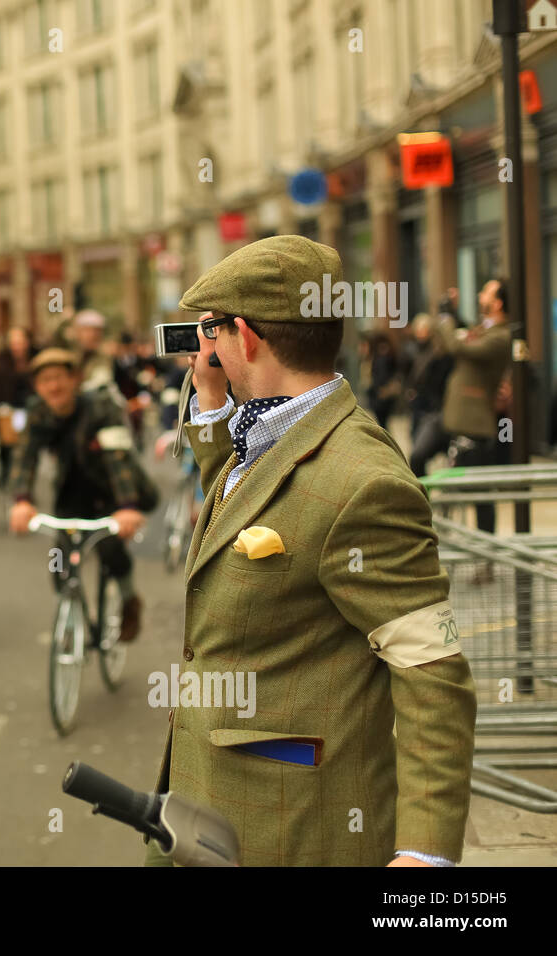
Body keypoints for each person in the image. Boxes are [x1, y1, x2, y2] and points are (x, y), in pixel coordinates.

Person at [147, 235, 475, 867]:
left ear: (244, 336)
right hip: (210, 805)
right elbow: (258, 501)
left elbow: (432, 672)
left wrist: (425, 856)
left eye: (210, 331)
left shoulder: (363, 481)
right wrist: (212, 399)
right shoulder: (275, 430)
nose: (203, 346)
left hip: (293, 827)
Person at [7, 349, 157, 644]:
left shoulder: (100, 408)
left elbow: (119, 459)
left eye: (60, 378)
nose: (54, 386)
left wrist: (127, 506)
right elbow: (25, 457)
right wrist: (21, 500)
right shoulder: (38, 411)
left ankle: (129, 602)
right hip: (70, 489)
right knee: (60, 559)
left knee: (111, 550)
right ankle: (70, 619)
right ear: (37, 386)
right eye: (45, 380)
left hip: (110, 490)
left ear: (75, 379)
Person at [437, 277, 514, 535]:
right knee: (421, 458)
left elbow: (460, 347)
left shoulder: (501, 336)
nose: (480, 295)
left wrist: (446, 319)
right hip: (455, 416)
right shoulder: (485, 328)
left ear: (498, 303)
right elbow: (465, 339)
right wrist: (454, 314)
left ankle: (486, 558)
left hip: (475, 423)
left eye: (486, 292)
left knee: (481, 495)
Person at [0, 325, 35, 490]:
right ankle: (7, 473)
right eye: (14, 342)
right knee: (7, 444)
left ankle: (23, 478)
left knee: (26, 446)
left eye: (21, 341)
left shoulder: (35, 361)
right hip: (5, 411)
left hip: (28, 409)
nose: (18, 346)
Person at [404, 312, 455, 476]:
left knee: (421, 455)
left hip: (440, 413)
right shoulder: (417, 351)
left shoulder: (446, 358)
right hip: (425, 410)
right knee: (417, 454)